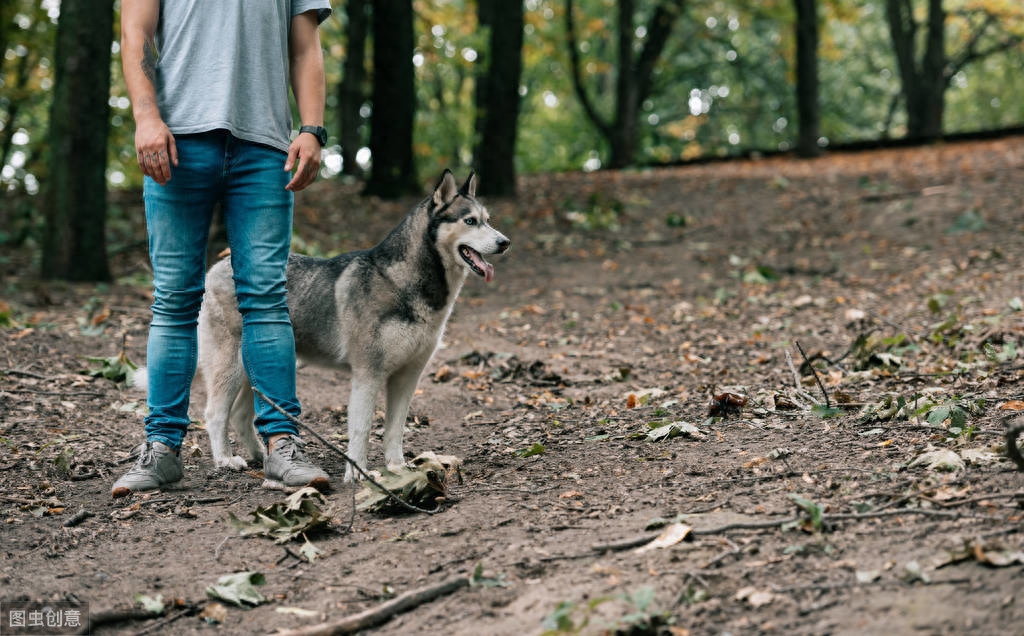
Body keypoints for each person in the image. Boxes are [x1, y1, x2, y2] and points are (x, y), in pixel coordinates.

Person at [113, 0, 333, 497]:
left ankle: (282, 446)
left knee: (266, 297)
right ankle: (162, 450)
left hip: (265, 147)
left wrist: (312, 128)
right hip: (175, 140)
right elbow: (136, 36)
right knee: (174, 298)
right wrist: (146, 117)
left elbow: (305, 48)